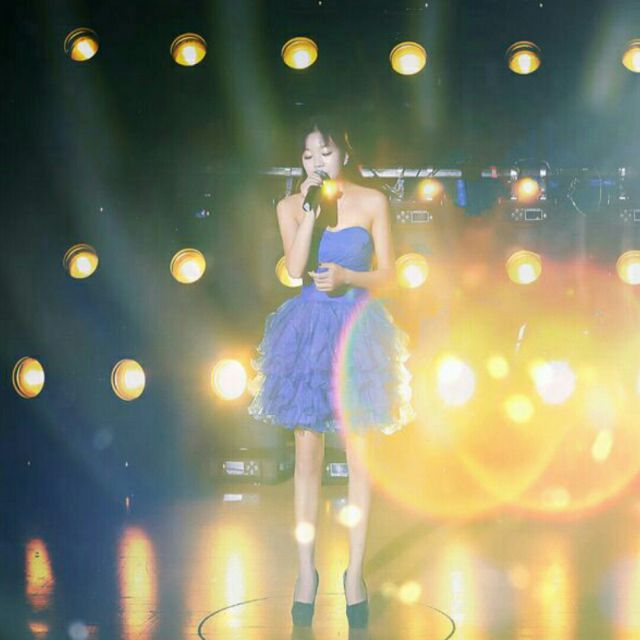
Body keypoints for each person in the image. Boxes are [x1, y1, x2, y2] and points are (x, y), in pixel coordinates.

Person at [248, 115, 415, 628]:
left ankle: (355, 574)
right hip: (309, 332)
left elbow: (389, 275)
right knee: (307, 458)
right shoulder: (289, 206)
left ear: (344, 150)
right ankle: (306, 572)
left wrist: (347, 275)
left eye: (324, 151)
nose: (316, 161)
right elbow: (295, 269)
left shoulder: (372, 201)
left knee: (360, 458)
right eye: (307, 155)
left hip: (357, 330)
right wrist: (308, 212)